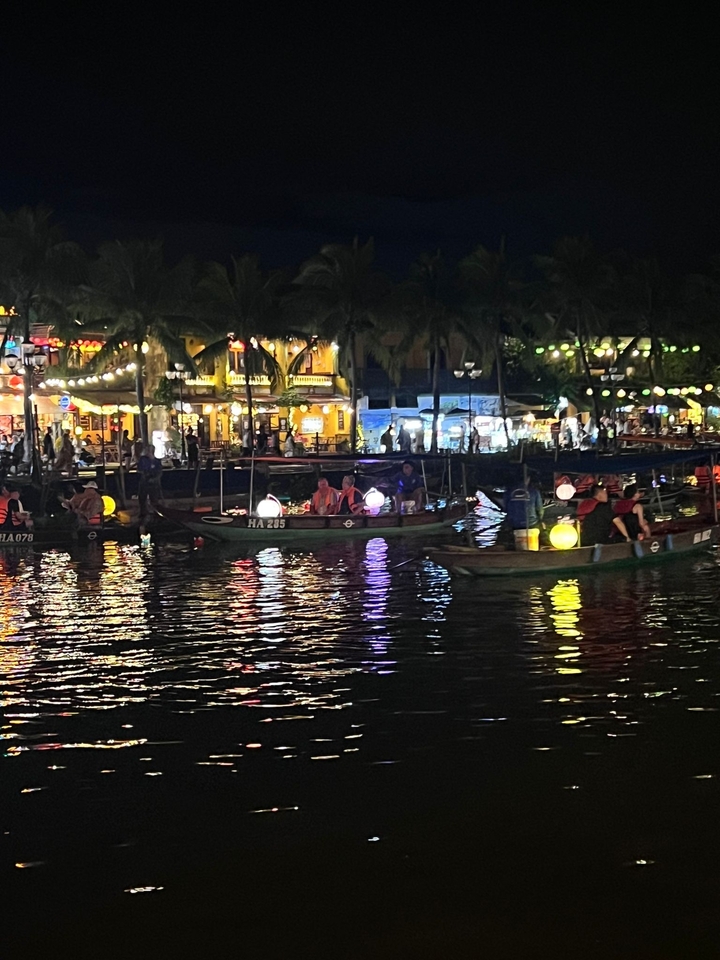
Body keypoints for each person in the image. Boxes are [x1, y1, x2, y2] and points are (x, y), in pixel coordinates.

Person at [138, 445, 163, 516]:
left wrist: (155, 478)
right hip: (144, 481)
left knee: (154, 498)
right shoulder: (143, 459)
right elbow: (140, 469)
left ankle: (156, 512)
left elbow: (159, 472)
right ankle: (143, 512)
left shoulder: (157, 461)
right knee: (142, 498)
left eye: (148, 450)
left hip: (153, 482)